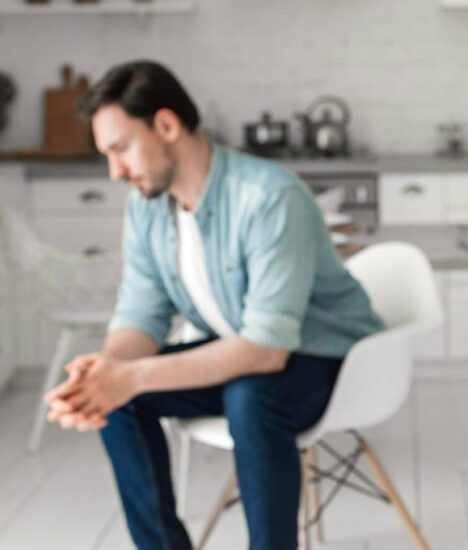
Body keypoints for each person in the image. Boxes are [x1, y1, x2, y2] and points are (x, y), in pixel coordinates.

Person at [42, 60, 384, 550]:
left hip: (329, 356)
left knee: (250, 395)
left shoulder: (269, 198)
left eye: (120, 149)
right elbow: (142, 314)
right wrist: (104, 373)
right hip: (243, 355)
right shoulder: (146, 205)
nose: (115, 172)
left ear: (166, 125)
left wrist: (129, 376)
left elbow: (265, 351)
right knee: (121, 400)